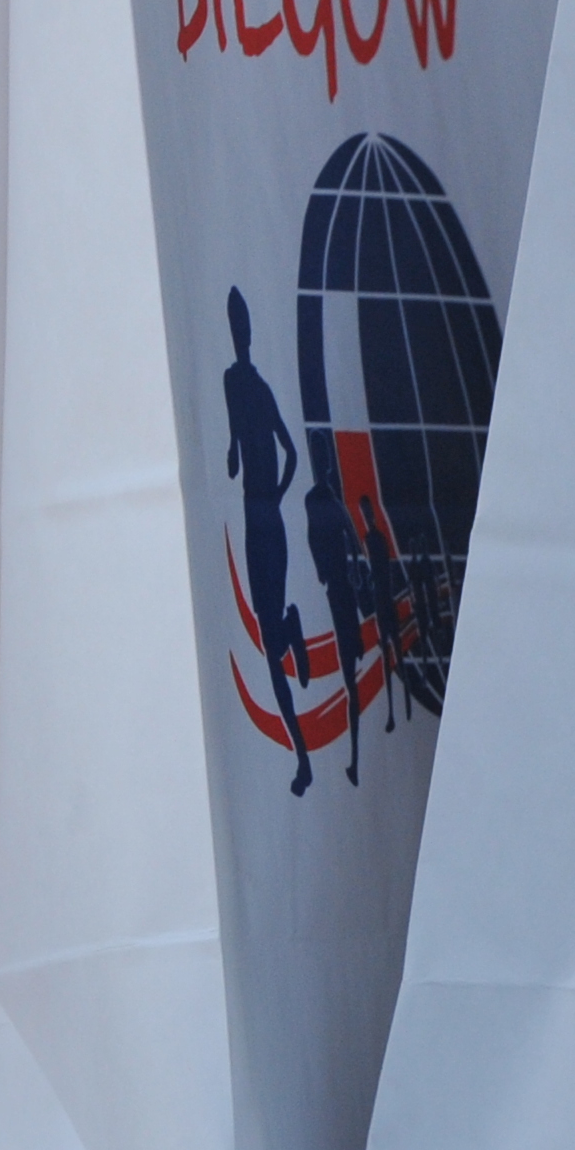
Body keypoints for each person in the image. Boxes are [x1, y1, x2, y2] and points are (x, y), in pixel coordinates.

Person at [220, 289, 313, 796]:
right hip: (256, 515)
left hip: (266, 515)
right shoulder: (234, 382)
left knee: (272, 653)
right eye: (236, 325)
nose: (240, 334)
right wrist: (237, 458)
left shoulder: (255, 387)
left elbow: (291, 452)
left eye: (242, 325)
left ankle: (303, 760)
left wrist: (275, 494)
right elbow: (236, 443)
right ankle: (290, 627)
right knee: (269, 639)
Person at [303, 450, 370, 787]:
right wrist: (322, 568)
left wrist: (353, 569)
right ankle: (355, 759)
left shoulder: (328, 499)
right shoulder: (316, 499)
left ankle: (357, 759)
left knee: (351, 678)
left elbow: (350, 536)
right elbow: (315, 536)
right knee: (349, 680)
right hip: (335, 587)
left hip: (342, 588)